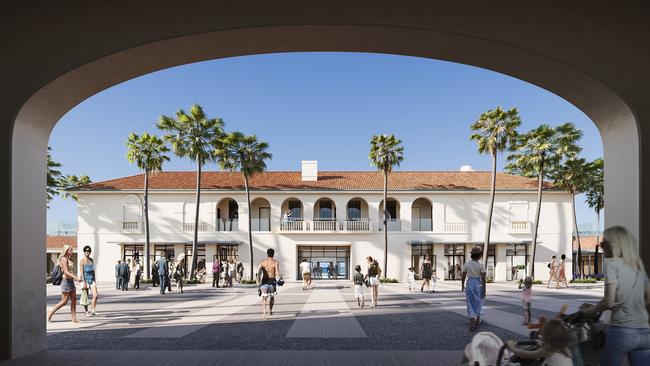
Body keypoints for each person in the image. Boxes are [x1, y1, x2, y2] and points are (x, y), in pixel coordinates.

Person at [579, 225, 650, 365]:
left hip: (622, 332)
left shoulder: (612, 264)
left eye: (603, 243)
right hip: (644, 333)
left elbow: (608, 302)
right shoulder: (638, 265)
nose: (601, 247)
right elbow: (648, 299)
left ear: (614, 245)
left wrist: (588, 311)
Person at [506, 319, 573, 365]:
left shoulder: (547, 352)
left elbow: (525, 354)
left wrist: (512, 346)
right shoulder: (564, 348)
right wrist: (541, 344)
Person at [47, 244, 81, 323]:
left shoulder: (69, 259)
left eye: (72, 250)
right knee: (64, 301)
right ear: (66, 250)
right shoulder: (63, 259)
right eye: (70, 250)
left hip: (70, 281)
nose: (72, 251)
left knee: (74, 299)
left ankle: (74, 318)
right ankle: (50, 313)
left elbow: (70, 271)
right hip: (65, 281)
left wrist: (74, 278)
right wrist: (76, 278)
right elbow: (65, 272)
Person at [461, 246, 487, 332]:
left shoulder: (467, 264)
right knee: (478, 301)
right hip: (478, 284)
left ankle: (472, 322)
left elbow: (463, 276)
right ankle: (478, 318)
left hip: (469, 284)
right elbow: (483, 279)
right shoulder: (481, 265)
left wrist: (462, 285)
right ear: (479, 255)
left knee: (470, 302)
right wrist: (484, 289)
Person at [257, 248, 281, 316]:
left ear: (267, 254)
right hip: (272, 280)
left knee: (264, 297)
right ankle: (270, 310)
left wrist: (258, 282)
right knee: (272, 296)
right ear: (273, 254)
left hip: (264, 280)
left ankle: (264, 310)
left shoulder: (262, 262)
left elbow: (258, 272)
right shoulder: (276, 262)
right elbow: (277, 272)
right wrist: (280, 278)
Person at [78, 245, 98, 317]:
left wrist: (95, 280)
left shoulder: (91, 260)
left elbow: (93, 271)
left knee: (95, 295)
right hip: (85, 280)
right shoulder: (82, 261)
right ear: (84, 252)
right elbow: (81, 272)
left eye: (89, 250)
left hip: (92, 279)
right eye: (86, 250)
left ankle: (93, 310)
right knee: (86, 296)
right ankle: (86, 312)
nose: (87, 252)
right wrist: (84, 283)